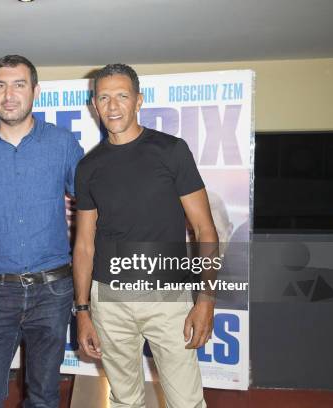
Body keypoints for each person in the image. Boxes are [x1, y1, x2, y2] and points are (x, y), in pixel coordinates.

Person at [73, 64, 218, 408]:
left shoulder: (171, 150)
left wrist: (206, 298)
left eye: (122, 96)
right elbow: (84, 244)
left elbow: (204, 229)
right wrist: (82, 310)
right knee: (124, 400)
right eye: (104, 97)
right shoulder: (88, 167)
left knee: (186, 402)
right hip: (108, 300)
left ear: (139, 100)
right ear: (94, 104)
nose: (112, 106)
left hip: (167, 298)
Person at [0, 55, 84, 408]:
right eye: (0, 85)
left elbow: (92, 205)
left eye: (19, 84)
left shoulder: (63, 145)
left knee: (43, 398)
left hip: (53, 290)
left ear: (36, 91)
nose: (9, 94)